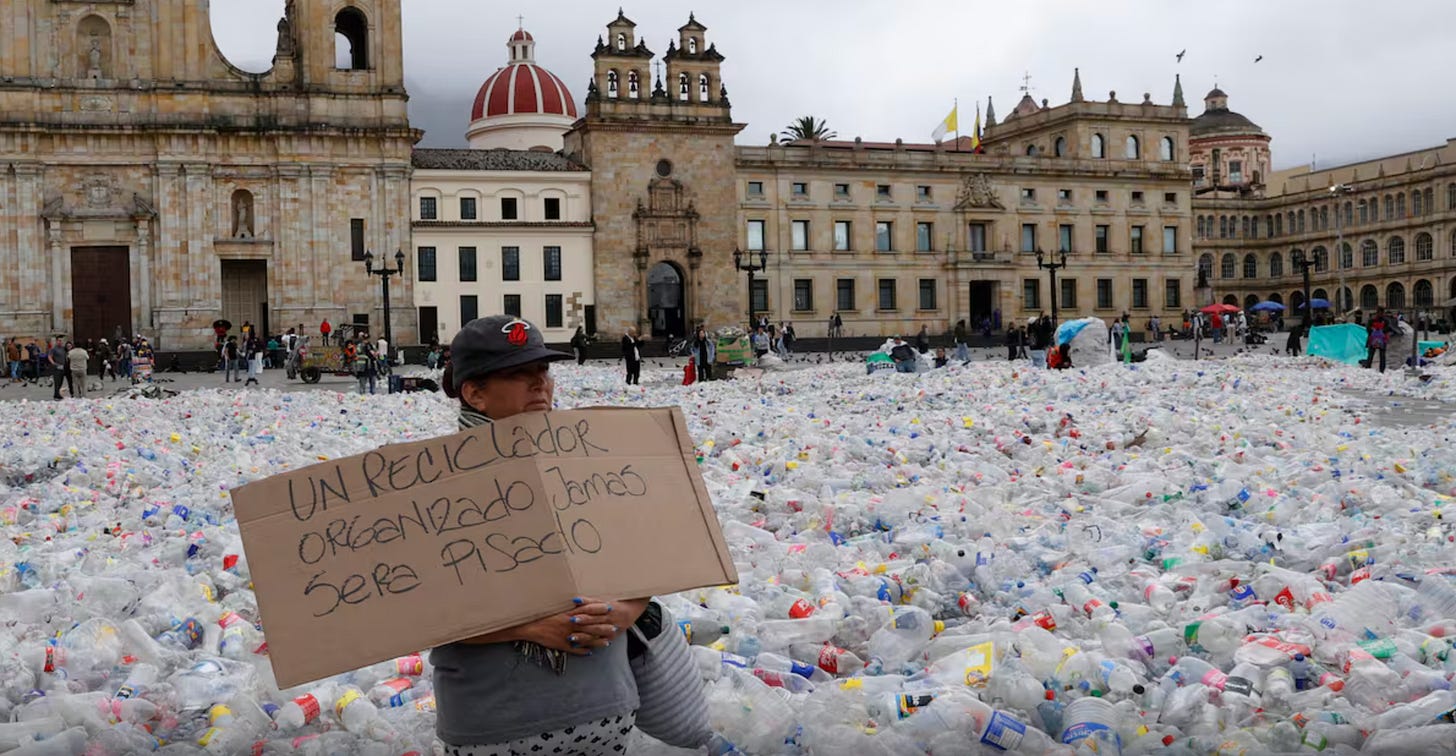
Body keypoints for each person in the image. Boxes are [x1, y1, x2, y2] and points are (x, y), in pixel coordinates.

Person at [432, 315, 650, 755]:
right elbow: (416, 610)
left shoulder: (590, 465)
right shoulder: (432, 487)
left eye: (544, 371)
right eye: (519, 374)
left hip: (603, 712)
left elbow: (648, 562)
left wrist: (623, 612)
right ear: (474, 392)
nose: (540, 384)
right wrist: (531, 626)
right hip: (496, 726)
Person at [1366, 308, 1391, 373]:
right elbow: (1368, 328)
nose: (1381, 314)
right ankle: (1368, 369)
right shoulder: (1372, 320)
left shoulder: (1385, 321)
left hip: (1382, 340)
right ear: (1377, 312)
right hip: (1373, 340)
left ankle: (1382, 370)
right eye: (1379, 313)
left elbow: (1388, 328)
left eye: (1382, 313)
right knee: (1371, 354)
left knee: (1382, 355)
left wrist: (1381, 331)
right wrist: (1374, 332)